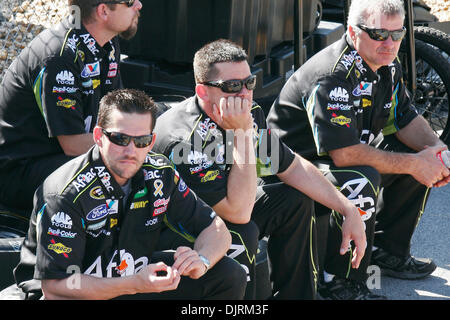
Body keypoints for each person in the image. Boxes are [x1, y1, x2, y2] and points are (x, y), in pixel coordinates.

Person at [152, 39, 367, 299]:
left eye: (249, 83)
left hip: (224, 206)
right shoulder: (184, 141)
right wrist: (241, 133)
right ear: (203, 92)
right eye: (231, 86)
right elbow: (238, 214)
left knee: (294, 199)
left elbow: (292, 167)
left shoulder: (248, 112)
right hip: (173, 231)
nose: (244, 93)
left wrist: (347, 208)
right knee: (243, 231)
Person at [266, 0, 449, 300]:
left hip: (337, 156)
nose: (389, 44)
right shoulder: (333, 75)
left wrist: (437, 151)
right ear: (352, 32)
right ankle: (338, 280)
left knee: (419, 156)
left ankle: (385, 250)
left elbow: (403, 119)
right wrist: (415, 164)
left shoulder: (387, 64)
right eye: (378, 34)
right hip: (293, 168)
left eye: (396, 34)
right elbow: (344, 154)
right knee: (361, 177)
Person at [12, 88, 246, 300]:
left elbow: (216, 229)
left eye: (141, 140)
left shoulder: (160, 172)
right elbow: (56, 286)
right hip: (76, 292)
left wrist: (201, 260)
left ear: (151, 140)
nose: (130, 150)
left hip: (130, 279)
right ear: (98, 136)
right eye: (120, 138)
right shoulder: (65, 194)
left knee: (228, 273)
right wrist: (133, 284)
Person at [0, 0, 143, 212]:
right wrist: (139, 148)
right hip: (21, 172)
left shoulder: (107, 42)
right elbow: (73, 144)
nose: (139, 5)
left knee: (150, 161)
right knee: (121, 167)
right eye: (130, 2)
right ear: (103, 11)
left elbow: (119, 112)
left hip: (61, 157)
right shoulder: (59, 57)